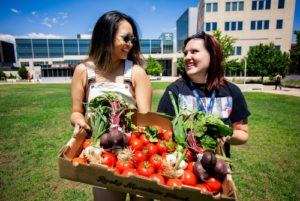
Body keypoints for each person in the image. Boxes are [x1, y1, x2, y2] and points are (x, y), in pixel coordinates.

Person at [70, 11, 152, 201]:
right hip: (99, 154)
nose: (130, 43)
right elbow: (76, 111)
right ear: (105, 36)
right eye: (125, 38)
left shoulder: (136, 72)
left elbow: (145, 119)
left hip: (132, 152)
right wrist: (79, 121)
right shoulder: (83, 71)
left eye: (133, 39)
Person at [157, 32, 250, 158]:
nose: (187, 57)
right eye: (185, 53)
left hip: (218, 168)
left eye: (194, 51)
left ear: (212, 55)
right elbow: (162, 132)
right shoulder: (174, 90)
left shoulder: (232, 91)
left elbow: (243, 134)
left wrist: (222, 135)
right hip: (183, 168)